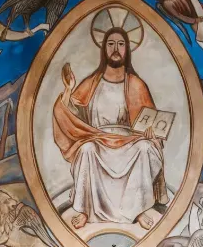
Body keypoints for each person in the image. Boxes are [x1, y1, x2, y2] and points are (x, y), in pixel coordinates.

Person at [52, 27, 168, 231]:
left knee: (144, 148)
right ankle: (85, 210)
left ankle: (138, 210)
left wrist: (150, 134)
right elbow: (71, 114)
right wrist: (69, 90)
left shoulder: (136, 84)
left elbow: (152, 122)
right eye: (111, 44)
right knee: (86, 149)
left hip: (129, 141)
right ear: (104, 49)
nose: (116, 48)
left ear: (127, 50)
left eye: (121, 44)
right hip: (98, 139)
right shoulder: (92, 83)